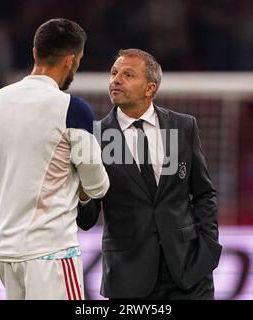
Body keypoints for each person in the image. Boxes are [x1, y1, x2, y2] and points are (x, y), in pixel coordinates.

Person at [0, 18, 109, 300]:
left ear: (35, 52)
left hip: (7, 254)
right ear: (71, 60)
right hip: (53, 252)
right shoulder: (73, 110)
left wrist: (0, 238)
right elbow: (97, 185)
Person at [77, 49, 222, 300]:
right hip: (128, 276)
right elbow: (87, 220)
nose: (116, 80)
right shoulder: (94, 137)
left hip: (189, 272)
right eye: (114, 73)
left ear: (150, 88)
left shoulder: (183, 126)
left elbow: (203, 193)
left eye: (128, 74)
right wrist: (81, 192)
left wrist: (207, 245)